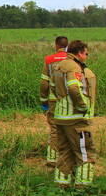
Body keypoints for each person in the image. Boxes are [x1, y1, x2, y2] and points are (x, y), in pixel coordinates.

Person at [50, 40, 97, 185]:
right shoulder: (75, 67)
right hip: (75, 118)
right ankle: (83, 189)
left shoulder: (58, 66)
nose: (86, 57)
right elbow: (74, 88)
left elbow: (52, 87)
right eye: (86, 54)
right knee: (85, 153)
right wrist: (82, 107)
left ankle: (61, 186)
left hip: (60, 117)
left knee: (65, 153)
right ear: (80, 53)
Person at [39, 36, 68, 166]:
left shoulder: (49, 60)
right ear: (67, 46)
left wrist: (44, 101)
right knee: (70, 127)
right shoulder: (73, 59)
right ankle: (67, 158)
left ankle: (52, 158)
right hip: (70, 100)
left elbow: (44, 83)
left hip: (53, 100)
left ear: (56, 45)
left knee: (54, 128)